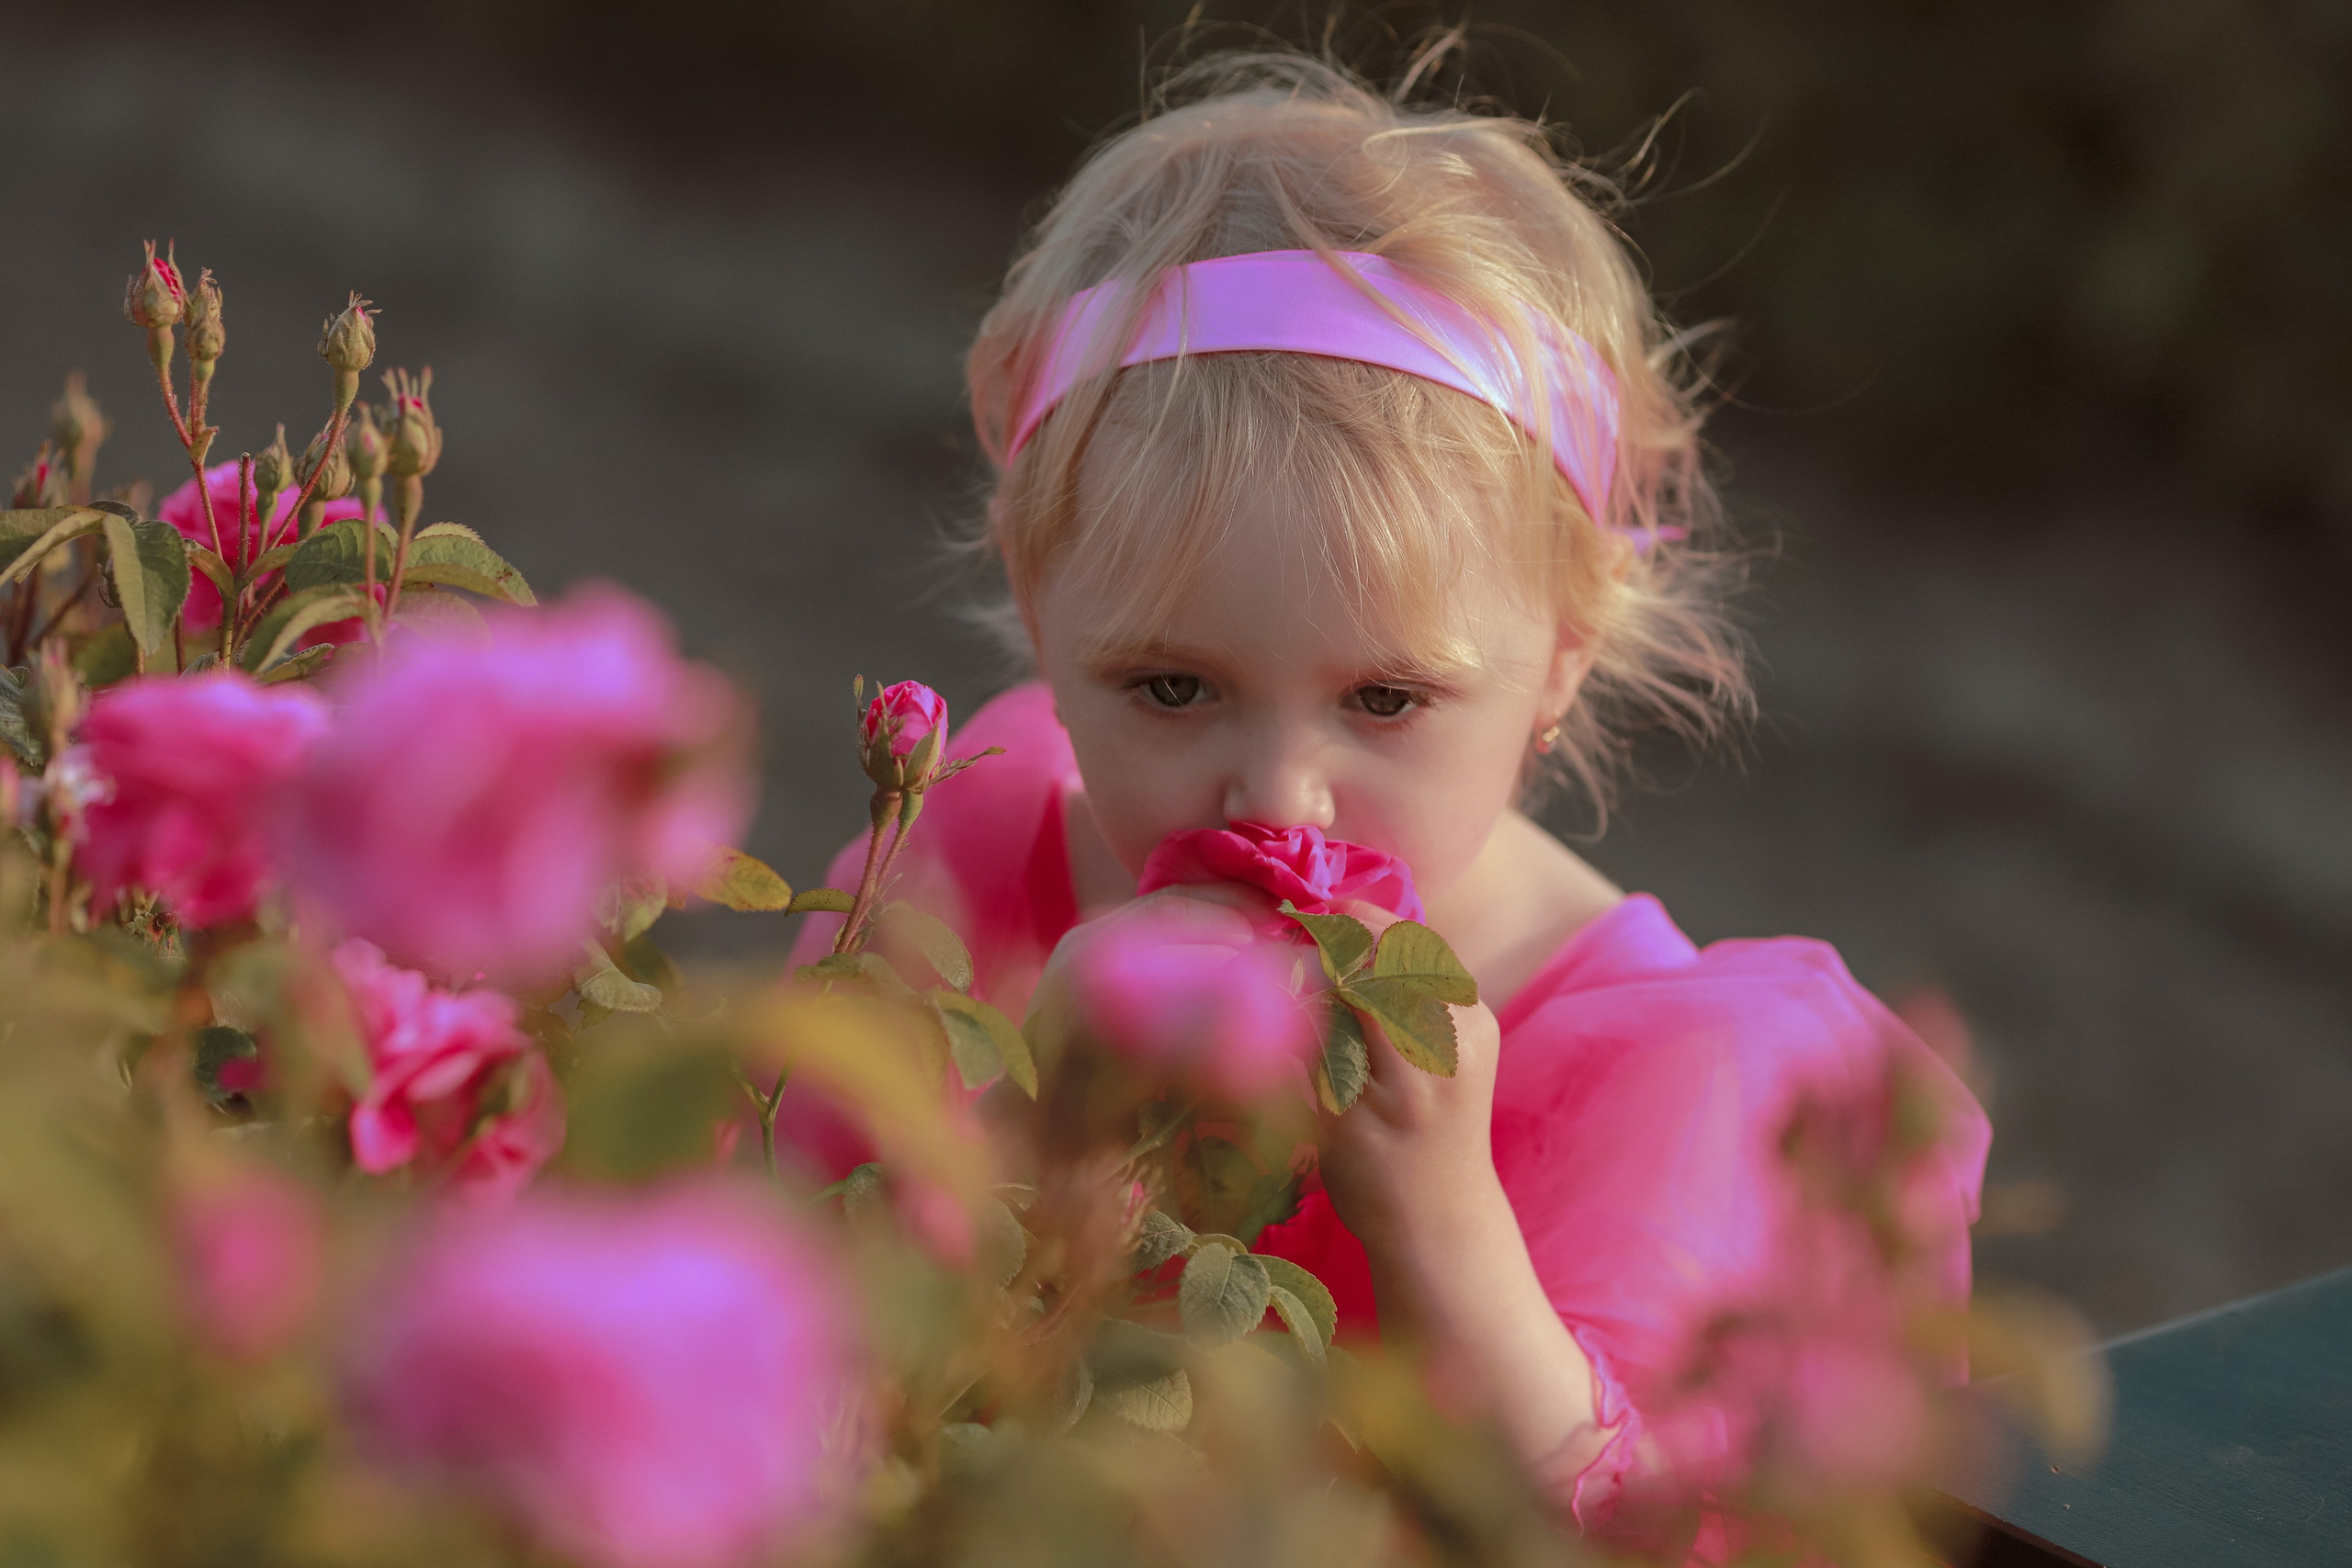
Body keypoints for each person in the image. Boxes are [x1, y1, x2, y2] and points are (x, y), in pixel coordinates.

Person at [791, 50, 1989, 1553]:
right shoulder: (970, 868)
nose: (1279, 790)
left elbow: (1649, 1533)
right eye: (1170, 687)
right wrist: (1046, 1139)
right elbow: (788, 1353)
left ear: (1558, 657)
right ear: (1041, 617)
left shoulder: (1674, 1083)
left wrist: (1442, 1221)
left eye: (1384, 701)